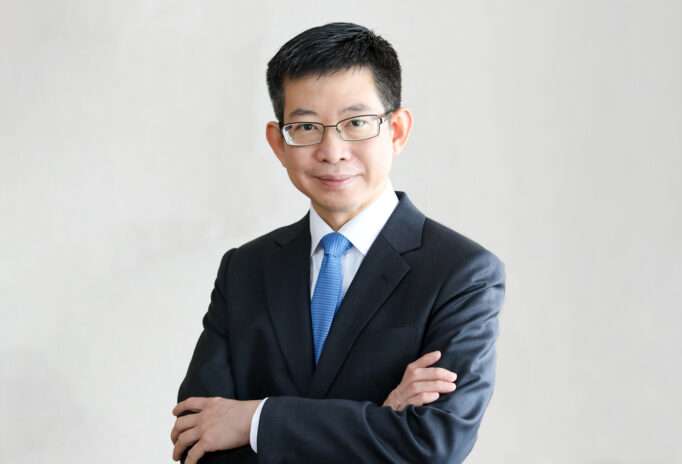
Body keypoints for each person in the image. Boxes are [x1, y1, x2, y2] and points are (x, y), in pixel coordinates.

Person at [170, 22, 506, 464]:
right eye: (306, 127)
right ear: (278, 143)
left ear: (397, 130)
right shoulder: (245, 270)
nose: (332, 150)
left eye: (356, 123)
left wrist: (256, 421)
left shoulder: (460, 272)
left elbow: (432, 444)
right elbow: (196, 440)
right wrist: (379, 419)